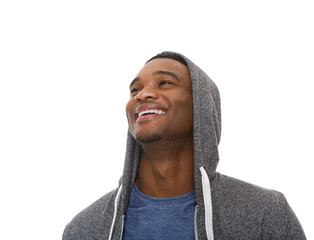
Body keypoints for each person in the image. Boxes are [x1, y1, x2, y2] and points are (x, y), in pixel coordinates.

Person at [62, 51, 306, 239]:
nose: (142, 94)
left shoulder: (264, 213)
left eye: (165, 83)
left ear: (200, 107)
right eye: (135, 89)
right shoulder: (85, 228)